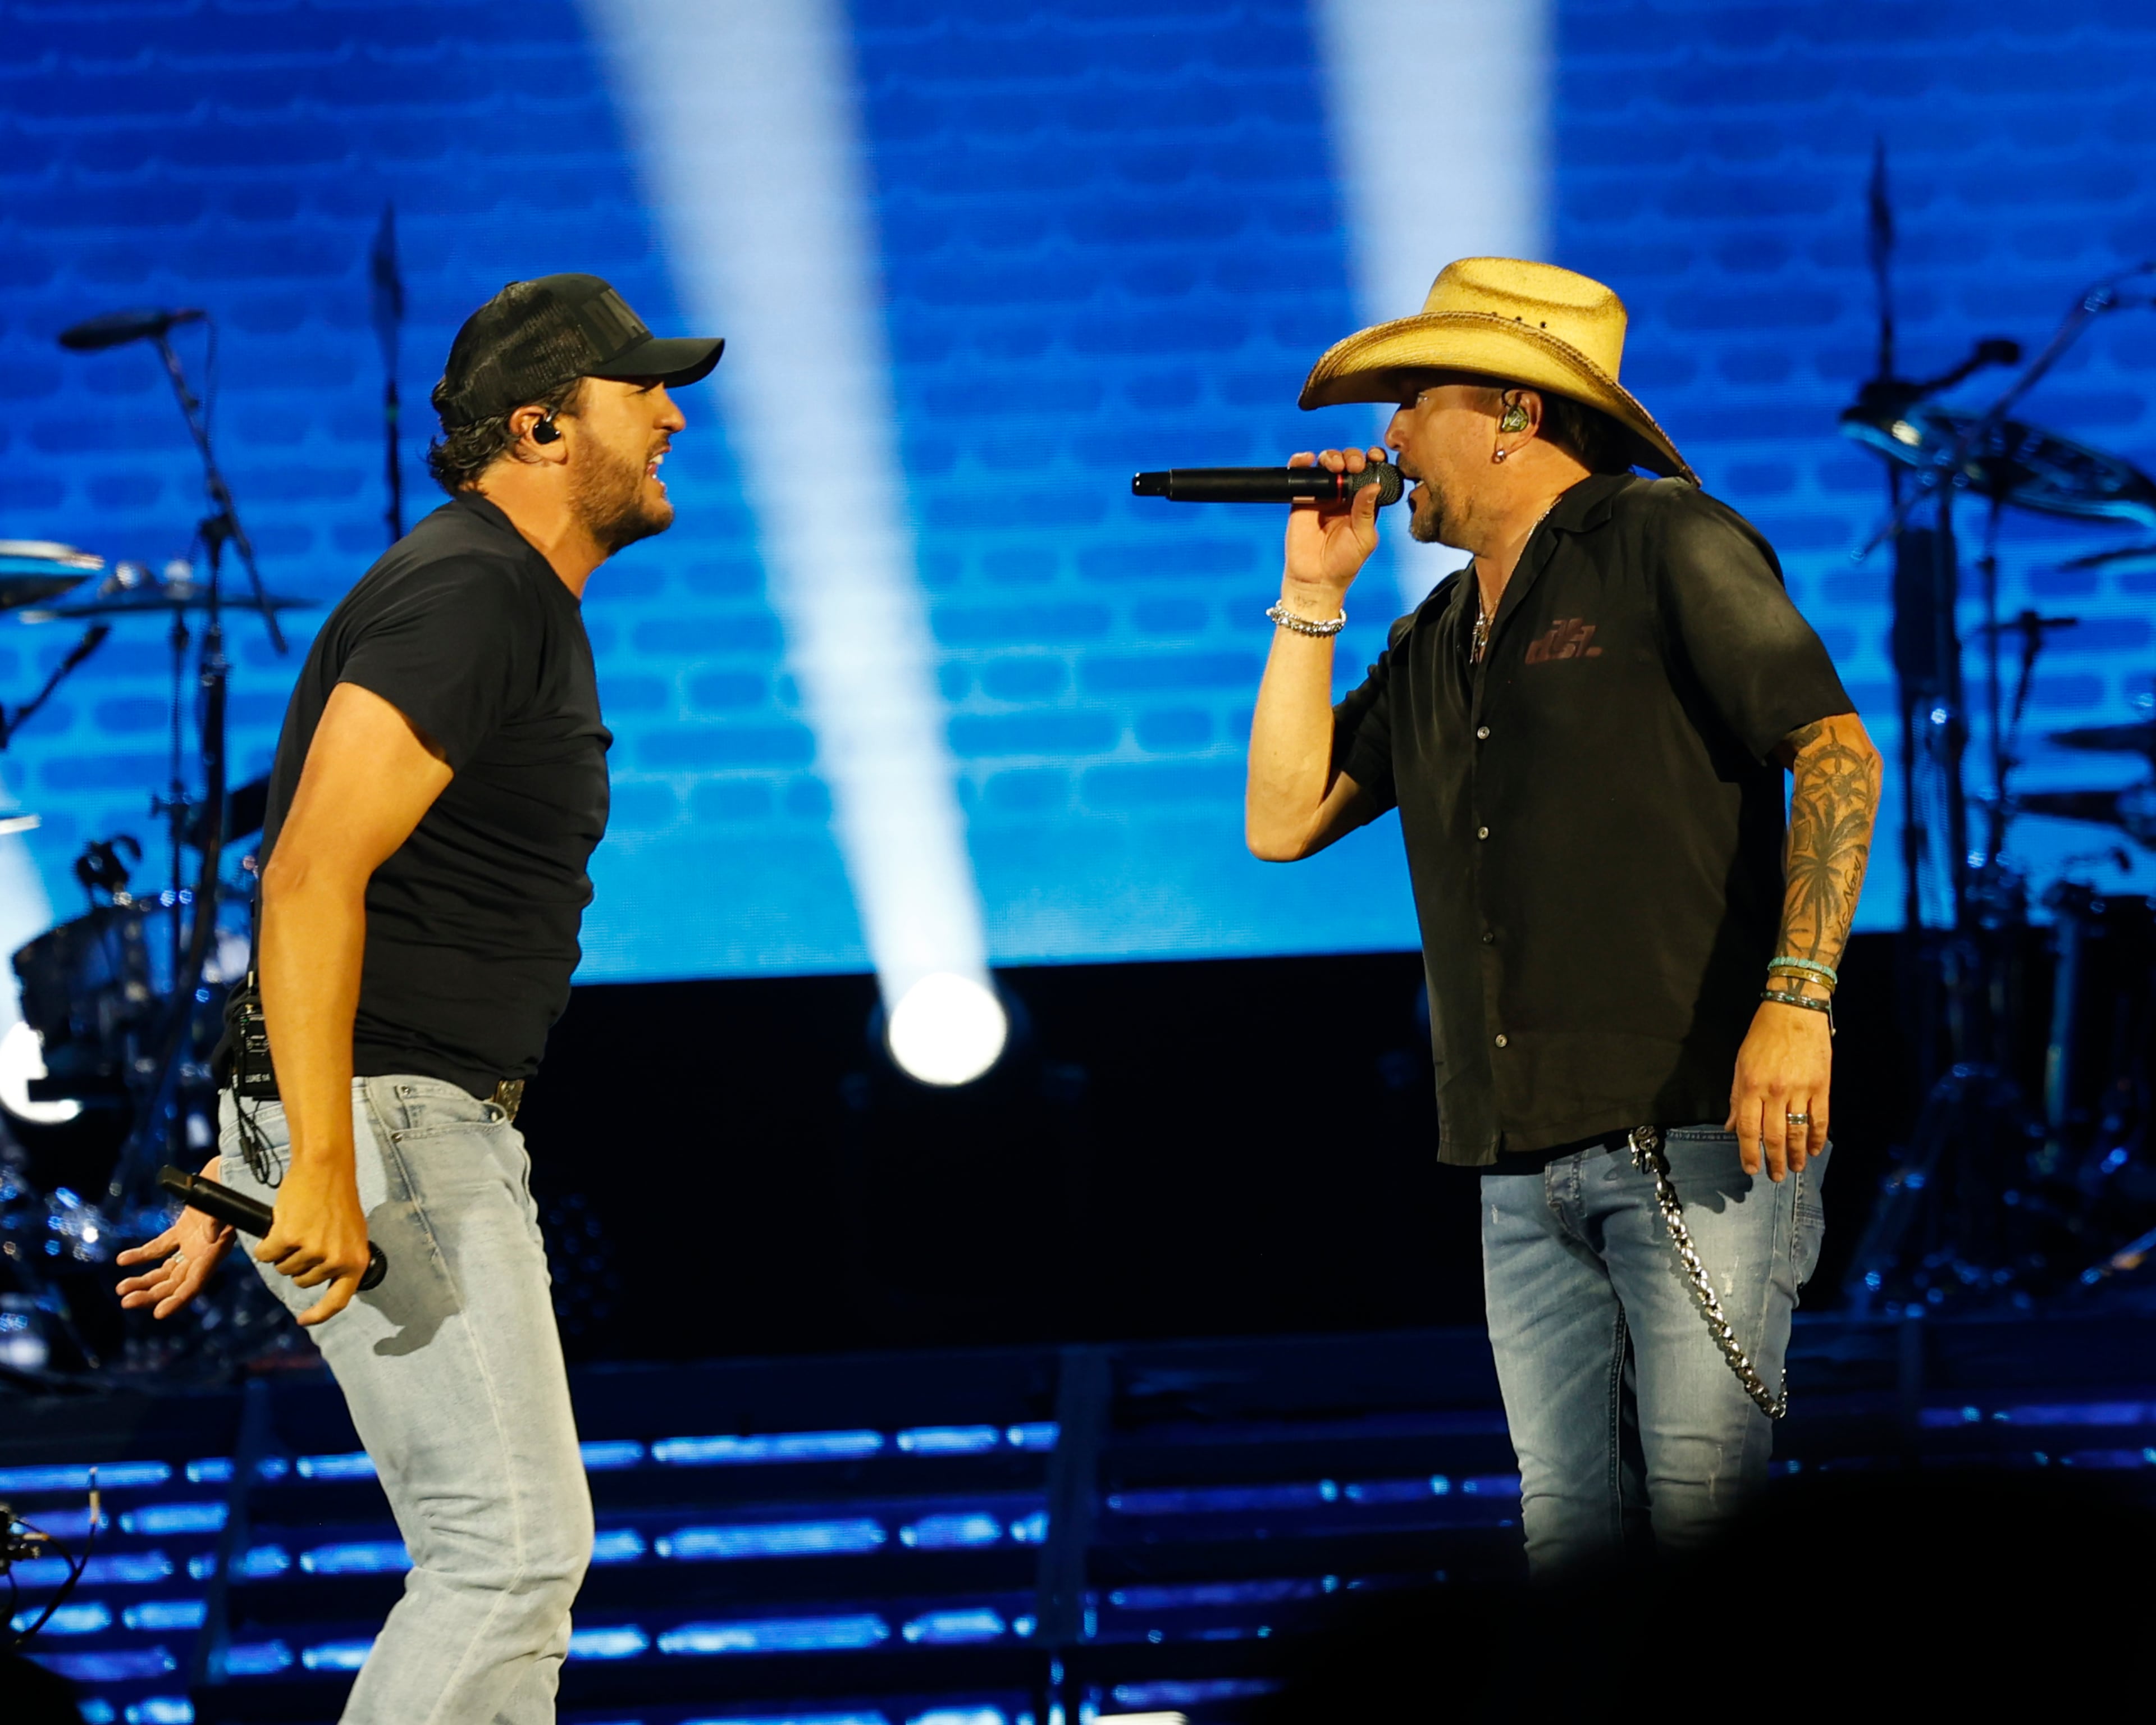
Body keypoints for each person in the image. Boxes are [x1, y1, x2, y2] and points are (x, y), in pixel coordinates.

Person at [114, 274, 722, 1721]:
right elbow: (310, 872)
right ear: (540, 427)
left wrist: (248, 1148)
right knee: (507, 1556)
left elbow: (351, 889)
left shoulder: (489, 590)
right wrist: (307, 1155)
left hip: (374, 1114)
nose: (673, 416)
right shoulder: (472, 592)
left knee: (512, 1569)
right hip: (391, 1130)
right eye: (641, 392)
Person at [1244, 257, 1881, 1571]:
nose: (1390, 437)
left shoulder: (1661, 539)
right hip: (1516, 1160)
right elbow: (1284, 818)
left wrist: (1799, 999)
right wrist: (1314, 600)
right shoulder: (1434, 638)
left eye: (1416, 399)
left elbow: (1834, 750)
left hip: (1697, 1128)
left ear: (1517, 415)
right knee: (1570, 1553)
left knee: (1702, 1527)